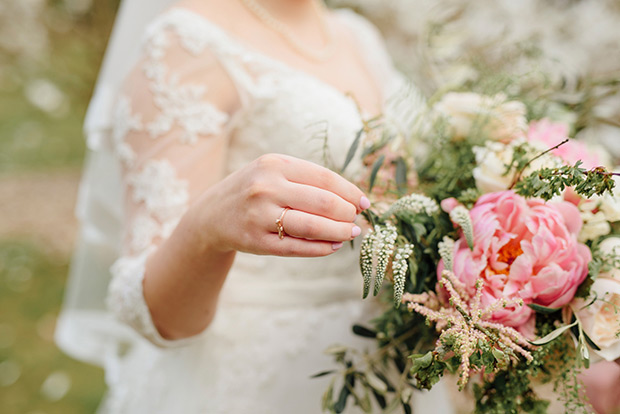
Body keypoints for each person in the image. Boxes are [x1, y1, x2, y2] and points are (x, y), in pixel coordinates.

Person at [56, 0, 453, 412]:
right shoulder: (188, 41)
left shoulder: (357, 35)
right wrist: (207, 229)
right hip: (249, 381)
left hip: (389, 365)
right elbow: (158, 314)